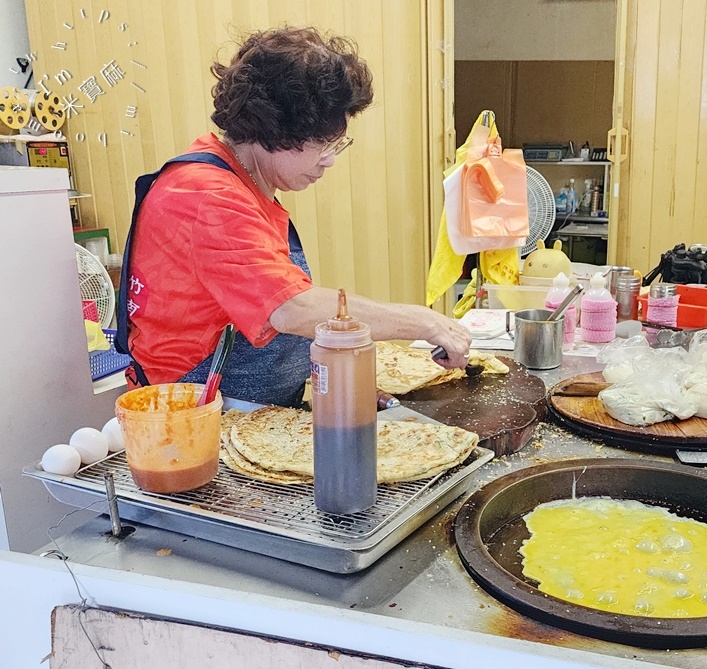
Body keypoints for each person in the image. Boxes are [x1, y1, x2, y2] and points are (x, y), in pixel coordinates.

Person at [115, 27, 471, 407]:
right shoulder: (207, 196)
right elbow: (291, 308)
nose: (330, 160)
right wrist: (426, 322)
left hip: (252, 404)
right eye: (323, 145)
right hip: (194, 412)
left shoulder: (240, 179)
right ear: (272, 130)